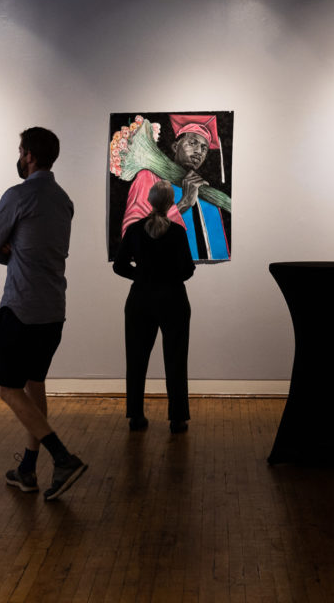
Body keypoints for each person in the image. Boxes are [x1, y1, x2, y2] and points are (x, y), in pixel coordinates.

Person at [0, 127, 86, 501]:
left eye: (20, 150)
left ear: (28, 155)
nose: (19, 156)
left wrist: (11, 251)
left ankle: (62, 457)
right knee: (34, 384)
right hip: (53, 310)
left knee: (9, 389)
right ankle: (27, 469)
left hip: (21, 307)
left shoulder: (19, 195)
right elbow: (44, 248)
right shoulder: (64, 200)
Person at [114, 180, 196, 434]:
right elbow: (188, 270)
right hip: (173, 300)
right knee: (176, 359)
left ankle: (136, 416)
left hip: (140, 300)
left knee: (136, 360)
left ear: (149, 201)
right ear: (171, 202)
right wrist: (168, 277)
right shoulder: (178, 232)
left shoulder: (135, 230)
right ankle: (178, 419)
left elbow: (119, 266)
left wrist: (142, 276)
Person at [122, 114, 230, 261]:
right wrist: (183, 204)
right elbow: (131, 236)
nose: (199, 151)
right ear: (175, 146)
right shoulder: (150, 177)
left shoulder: (209, 195)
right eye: (192, 143)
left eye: (204, 148)